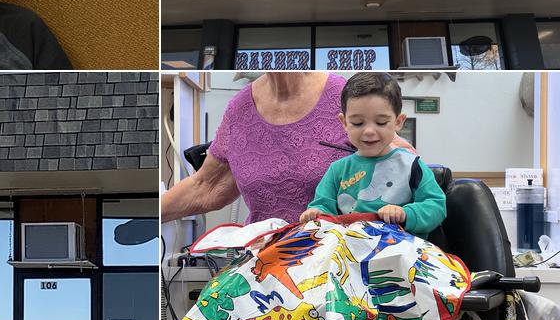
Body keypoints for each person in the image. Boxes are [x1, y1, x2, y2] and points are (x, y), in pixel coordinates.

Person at [163, 73, 357, 225]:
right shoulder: (240, 108)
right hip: (265, 262)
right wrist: (142, 213)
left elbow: (386, 164)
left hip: (338, 260)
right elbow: (206, 186)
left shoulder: (343, 96)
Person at [299, 72, 446, 238]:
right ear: (344, 123)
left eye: (381, 122)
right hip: (348, 252)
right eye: (358, 123)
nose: (369, 131)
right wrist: (315, 213)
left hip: (401, 253)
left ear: (398, 122)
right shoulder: (337, 169)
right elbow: (323, 206)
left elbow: (436, 206)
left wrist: (406, 214)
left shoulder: (411, 165)